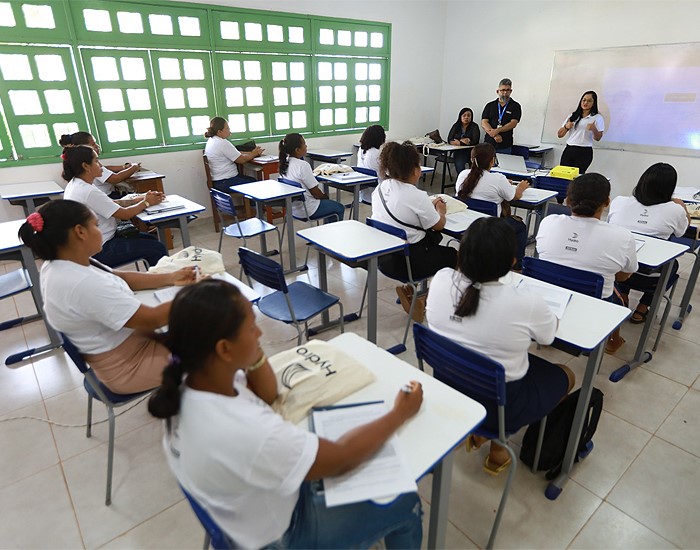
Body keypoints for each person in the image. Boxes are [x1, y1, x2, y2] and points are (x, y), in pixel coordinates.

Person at [147, 279, 423, 549]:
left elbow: (268, 394)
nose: (260, 335)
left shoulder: (190, 378)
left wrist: (252, 353)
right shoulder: (247, 431)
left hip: (246, 512)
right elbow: (344, 458)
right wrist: (399, 413)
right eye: (251, 328)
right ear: (224, 349)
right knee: (404, 499)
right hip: (283, 535)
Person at [426, 217, 574, 475]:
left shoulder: (440, 279)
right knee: (566, 374)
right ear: (512, 263)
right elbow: (547, 338)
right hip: (502, 406)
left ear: (461, 253)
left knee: (498, 361)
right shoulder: (525, 301)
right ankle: (497, 443)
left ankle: (483, 435)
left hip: (449, 387)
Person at [18, 199, 196, 393]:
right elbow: (152, 319)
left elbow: (121, 277)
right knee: (221, 343)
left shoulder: (61, 264)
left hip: (133, 343)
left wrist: (171, 277)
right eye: (96, 225)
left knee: (203, 326)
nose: (100, 231)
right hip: (129, 367)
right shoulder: (81, 282)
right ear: (80, 232)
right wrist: (197, 294)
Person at [536, 173, 638, 354]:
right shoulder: (622, 236)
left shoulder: (548, 222)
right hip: (594, 304)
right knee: (618, 297)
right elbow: (624, 276)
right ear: (607, 202)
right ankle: (612, 341)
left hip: (550, 295)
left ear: (568, 200)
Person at [372, 141, 457, 318]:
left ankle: (410, 290)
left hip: (384, 259)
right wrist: (440, 210)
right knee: (456, 256)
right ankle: (434, 300)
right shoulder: (416, 196)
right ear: (414, 169)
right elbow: (439, 225)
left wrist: (427, 207)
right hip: (410, 263)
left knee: (421, 243)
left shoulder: (380, 188)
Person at [608, 162, 690, 323]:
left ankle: (622, 296)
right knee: (671, 265)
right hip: (650, 276)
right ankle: (642, 308)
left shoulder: (620, 201)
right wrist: (683, 207)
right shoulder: (675, 209)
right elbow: (681, 232)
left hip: (615, 269)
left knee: (628, 254)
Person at [61, 145, 168, 268]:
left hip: (93, 242)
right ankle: (162, 282)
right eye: (96, 161)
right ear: (86, 166)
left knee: (151, 240)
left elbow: (109, 203)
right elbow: (125, 214)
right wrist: (146, 203)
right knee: (157, 248)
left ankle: (155, 278)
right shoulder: (88, 191)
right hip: (100, 248)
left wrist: (142, 198)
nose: (101, 165)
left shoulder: (76, 184)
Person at [456, 143, 529, 269]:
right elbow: (514, 197)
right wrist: (520, 188)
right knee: (520, 226)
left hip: (465, 225)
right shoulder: (498, 179)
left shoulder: (463, 174)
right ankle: (517, 265)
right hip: (490, 228)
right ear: (492, 161)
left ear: (471, 159)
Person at [278, 133, 345, 222]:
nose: (306, 146)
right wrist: (325, 197)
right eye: (304, 144)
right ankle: (331, 234)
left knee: (329, 204)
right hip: (308, 209)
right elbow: (315, 192)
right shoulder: (302, 165)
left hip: (292, 209)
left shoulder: (284, 163)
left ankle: (328, 230)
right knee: (339, 208)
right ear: (297, 150)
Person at [59, 132, 142, 197]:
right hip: (107, 195)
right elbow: (115, 178)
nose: (97, 146)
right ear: (82, 147)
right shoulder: (88, 165)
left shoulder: (79, 163)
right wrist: (134, 167)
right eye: (93, 144)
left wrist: (124, 167)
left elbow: (104, 168)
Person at [203, 117, 264, 193]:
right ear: (219, 131)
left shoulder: (212, 140)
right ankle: (255, 205)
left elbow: (235, 153)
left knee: (252, 180)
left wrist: (251, 153)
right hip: (225, 181)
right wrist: (254, 154)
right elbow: (242, 160)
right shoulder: (223, 143)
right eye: (227, 128)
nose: (230, 131)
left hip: (218, 181)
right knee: (255, 184)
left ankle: (252, 205)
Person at [557, 91, 605, 174]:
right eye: (584, 100)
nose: (585, 103)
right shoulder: (573, 116)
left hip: (584, 151)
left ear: (594, 103)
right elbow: (560, 135)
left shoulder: (597, 117)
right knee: (563, 175)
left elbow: (598, 138)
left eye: (589, 101)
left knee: (577, 178)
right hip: (569, 149)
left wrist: (594, 129)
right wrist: (566, 127)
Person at [481, 78, 521, 154]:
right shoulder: (490, 105)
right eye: (502, 90)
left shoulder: (515, 106)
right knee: (487, 165)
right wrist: (494, 135)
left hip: (505, 144)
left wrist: (498, 130)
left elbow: (513, 123)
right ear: (497, 91)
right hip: (489, 144)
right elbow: (484, 122)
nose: (505, 92)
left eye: (507, 90)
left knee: (504, 165)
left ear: (511, 91)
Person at [357, 124, 386, 203]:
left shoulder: (361, 150)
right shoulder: (376, 153)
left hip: (364, 194)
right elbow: (388, 172)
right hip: (379, 194)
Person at [447, 107, 480, 173]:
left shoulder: (474, 126)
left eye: (468, 116)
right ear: (460, 116)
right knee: (460, 167)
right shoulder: (456, 125)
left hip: (471, 151)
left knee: (474, 168)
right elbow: (450, 139)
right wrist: (462, 142)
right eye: (464, 115)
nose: (466, 117)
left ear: (471, 117)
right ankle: (462, 180)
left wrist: (460, 143)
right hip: (459, 151)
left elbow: (475, 141)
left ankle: (469, 181)